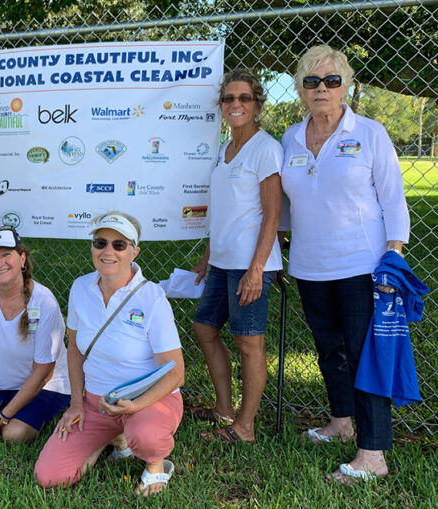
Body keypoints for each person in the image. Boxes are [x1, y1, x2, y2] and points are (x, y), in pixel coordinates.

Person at [280, 45, 410, 482]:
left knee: (364, 356)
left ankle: (373, 454)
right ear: (301, 88)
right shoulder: (291, 138)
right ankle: (341, 422)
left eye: (331, 80)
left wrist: (393, 254)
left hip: (362, 266)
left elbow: (393, 199)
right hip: (309, 265)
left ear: (346, 85)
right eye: (312, 81)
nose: (322, 88)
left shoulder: (370, 133)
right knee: (329, 350)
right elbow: (285, 206)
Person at [35, 212, 185, 497]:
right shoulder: (80, 287)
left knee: (147, 437)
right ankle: (116, 438)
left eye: (119, 245)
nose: (108, 251)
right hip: (97, 405)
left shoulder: (152, 297)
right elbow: (75, 351)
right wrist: (76, 403)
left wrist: (135, 406)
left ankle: (156, 465)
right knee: (49, 477)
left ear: (134, 252)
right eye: (100, 242)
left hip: (147, 401)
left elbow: (176, 373)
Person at [189, 69, 283, 443]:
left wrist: (256, 269)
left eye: (244, 98)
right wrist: (207, 257)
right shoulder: (224, 151)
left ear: (257, 104)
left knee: (249, 342)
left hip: (250, 264)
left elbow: (272, 215)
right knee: (204, 327)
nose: (236, 104)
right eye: (229, 98)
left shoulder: (265, 148)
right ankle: (223, 409)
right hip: (222, 261)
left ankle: (244, 428)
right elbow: (223, 211)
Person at [0, 226, 70, 444]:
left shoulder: (44, 302)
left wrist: (2, 418)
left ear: (22, 258)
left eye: (7, 254)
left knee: (12, 435)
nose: (0, 263)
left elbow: (43, 372)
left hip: (46, 386)